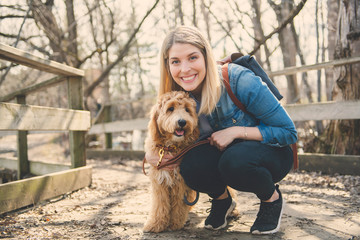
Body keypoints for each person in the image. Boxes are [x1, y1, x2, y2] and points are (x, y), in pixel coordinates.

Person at [158, 25, 297, 235]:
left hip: (271, 152)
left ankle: (271, 199)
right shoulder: (179, 95)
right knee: (191, 164)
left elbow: (288, 132)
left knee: (234, 160)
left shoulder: (239, 79)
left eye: (193, 57)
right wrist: (154, 153)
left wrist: (236, 132)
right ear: (167, 65)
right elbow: (163, 131)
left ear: (206, 56)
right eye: (175, 61)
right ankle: (223, 201)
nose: (184, 69)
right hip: (226, 154)